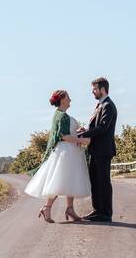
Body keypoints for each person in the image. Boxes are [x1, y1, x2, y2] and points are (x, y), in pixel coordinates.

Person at [23, 90, 92, 223]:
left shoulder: (60, 115)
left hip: (68, 151)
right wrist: (82, 140)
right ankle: (47, 207)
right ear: (62, 100)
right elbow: (64, 136)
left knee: (68, 181)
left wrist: (78, 132)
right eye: (68, 98)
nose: (70, 100)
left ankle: (70, 209)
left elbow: (66, 132)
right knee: (60, 181)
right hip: (66, 152)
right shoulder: (62, 116)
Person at [77, 76, 117, 222]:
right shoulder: (100, 105)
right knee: (95, 181)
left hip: (104, 151)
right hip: (95, 150)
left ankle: (106, 213)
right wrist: (86, 129)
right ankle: (97, 210)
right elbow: (95, 126)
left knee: (104, 182)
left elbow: (102, 128)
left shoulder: (108, 106)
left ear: (102, 89)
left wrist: (82, 134)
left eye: (94, 89)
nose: (92, 92)